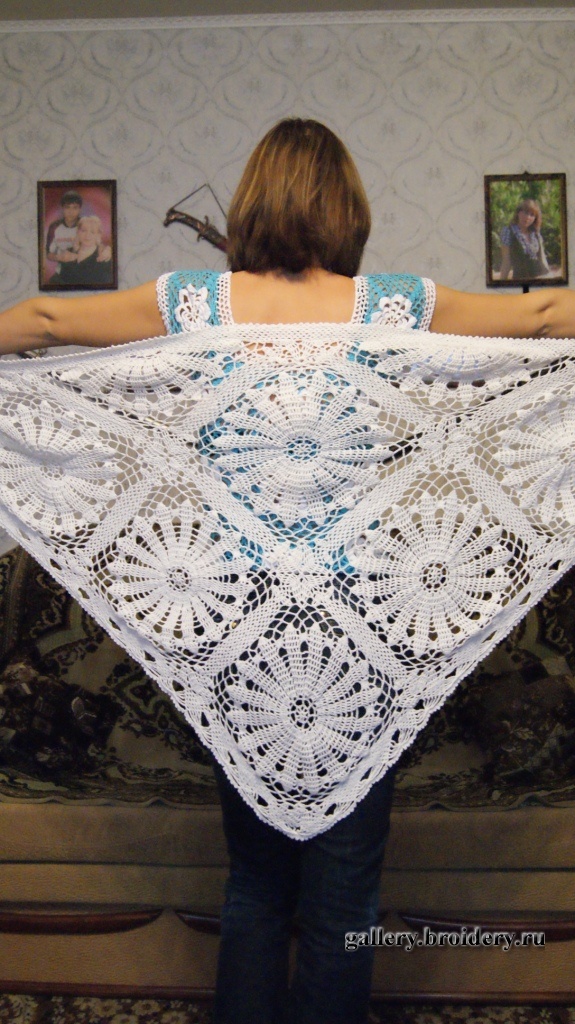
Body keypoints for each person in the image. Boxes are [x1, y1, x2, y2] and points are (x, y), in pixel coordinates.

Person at [1, 118, 575, 1024]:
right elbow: (543, 317)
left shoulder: (196, 304)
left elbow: (41, 321)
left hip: (234, 633)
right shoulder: (392, 306)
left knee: (254, 888)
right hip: (364, 638)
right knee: (345, 902)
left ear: (251, 202)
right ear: (347, 207)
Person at [499, 198, 550, 281]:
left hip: (541, 279)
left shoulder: (536, 234)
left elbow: (542, 258)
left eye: (532, 215)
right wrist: (501, 284)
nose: (528, 217)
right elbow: (506, 261)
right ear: (518, 213)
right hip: (521, 280)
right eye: (525, 213)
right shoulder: (508, 232)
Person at [56, 215, 114, 288]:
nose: (87, 235)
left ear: (98, 235)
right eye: (83, 231)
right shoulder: (68, 252)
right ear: (78, 232)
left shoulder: (104, 256)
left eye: (92, 232)